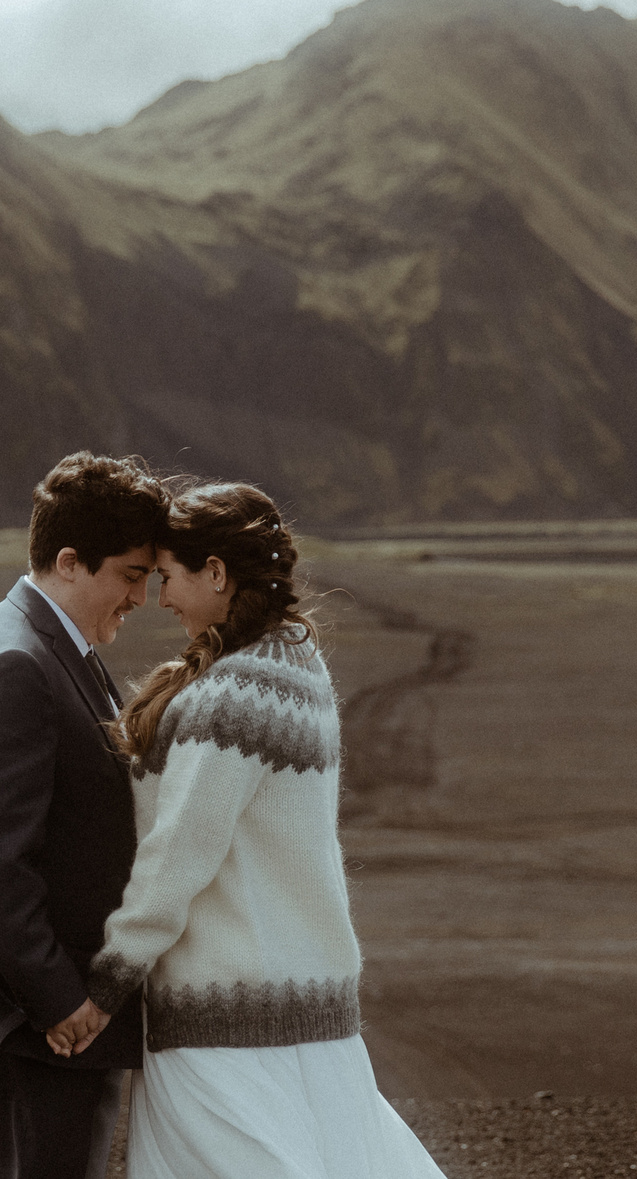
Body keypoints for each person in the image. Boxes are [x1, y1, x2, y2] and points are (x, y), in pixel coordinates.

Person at [63, 480, 447, 1179]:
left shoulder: (232, 696)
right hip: (314, 1019)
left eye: (171, 576)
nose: (161, 597)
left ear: (216, 572)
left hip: (222, 1024)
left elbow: (179, 855)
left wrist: (110, 982)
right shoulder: (300, 669)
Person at [0, 451, 169, 1179]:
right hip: (27, 1010)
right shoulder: (15, 663)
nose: (142, 597)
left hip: (41, 999)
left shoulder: (53, 645)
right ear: (68, 561)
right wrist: (59, 1000)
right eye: (129, 574)